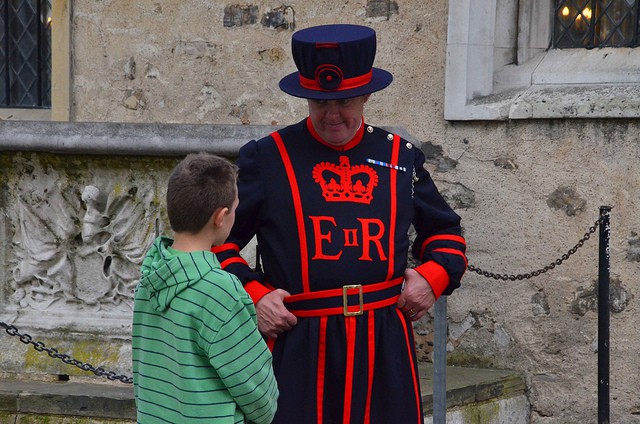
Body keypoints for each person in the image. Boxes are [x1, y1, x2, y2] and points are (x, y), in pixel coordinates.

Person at [213, 24, 467, 424]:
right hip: (299, 346)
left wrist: (431, 277)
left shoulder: (401, 158)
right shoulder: (266, 158)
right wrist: (255, 294)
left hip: (384, 346)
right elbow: (215, 244)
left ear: (366, 94)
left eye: (345, 101)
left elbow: (446, 235)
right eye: (319, 102)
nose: (333, 115)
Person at [132, 152, 278, 424]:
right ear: (221, 217)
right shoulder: (221, 291)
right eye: (235, 207)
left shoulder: (150, 274)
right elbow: (259, 396)